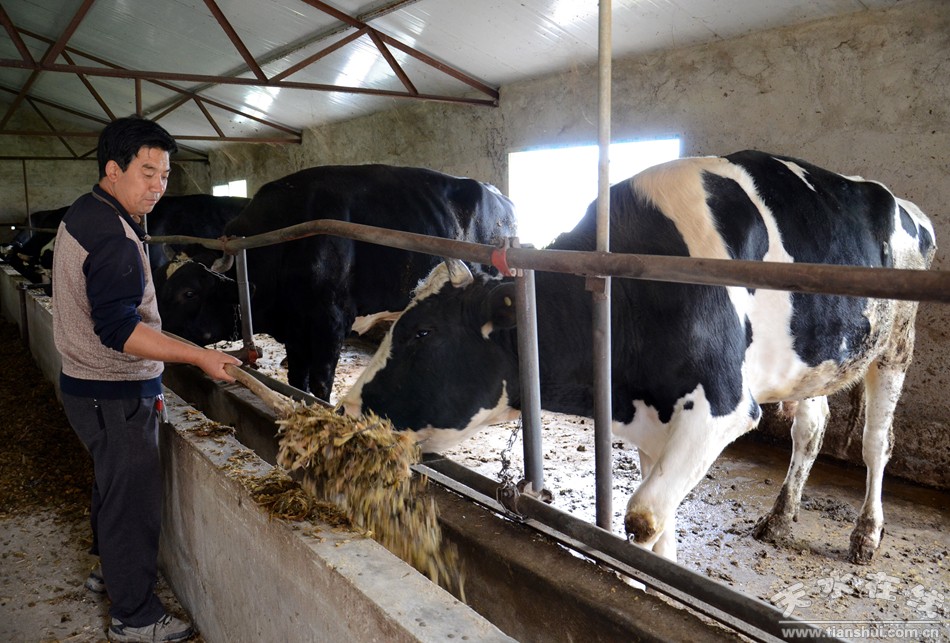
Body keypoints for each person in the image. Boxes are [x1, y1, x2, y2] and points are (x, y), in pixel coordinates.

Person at [51, 116, 242, 642]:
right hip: (112, 391)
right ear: (113, 170)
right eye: (148, 172)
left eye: (166, 174)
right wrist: (198, 356)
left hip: (84, 386)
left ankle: (109, 572)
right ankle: (133, 616)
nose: (159, 186)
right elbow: (120, 330)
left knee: (112, 487)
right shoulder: (113, 237)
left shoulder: (87, 211)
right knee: (131, 502)